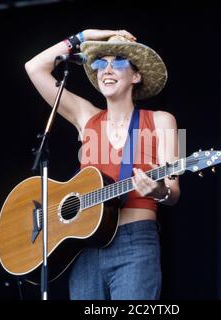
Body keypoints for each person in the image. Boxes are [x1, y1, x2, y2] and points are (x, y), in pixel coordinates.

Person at [25, 29, 180, 300]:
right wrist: (85, 36)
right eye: (100, 63)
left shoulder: (161, 121)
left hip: (136, 243)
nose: (106, 70)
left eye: (118, 62)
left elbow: (173, 193)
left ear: (136, 75)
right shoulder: (86, 118)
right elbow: (34, 67)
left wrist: (158, 191)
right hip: (86, 246)